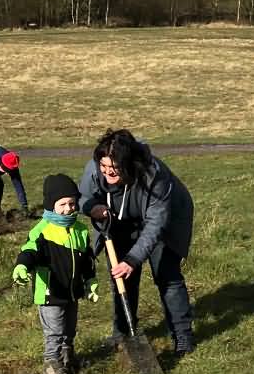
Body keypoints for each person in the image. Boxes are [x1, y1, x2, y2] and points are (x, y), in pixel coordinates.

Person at [79, 129, 197, 355]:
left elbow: (156, 222)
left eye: (113, 170)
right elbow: (83, 195)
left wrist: (133, 259)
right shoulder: (95, 168)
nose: (106, 174)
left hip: (166, 220)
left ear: (129, 164)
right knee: (122, 279)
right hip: (119, 221)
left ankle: (182, 336)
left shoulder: (155, 175)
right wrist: (92, 207)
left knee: (167, 277)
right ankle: (122, 332)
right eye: (103, 168)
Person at [12, 174, 98, 374]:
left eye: (72, 203)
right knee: (55, 331)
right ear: (51, 205)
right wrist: (22, 266)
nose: (69, 208)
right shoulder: (42, 230)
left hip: (72, 291)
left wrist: (90, 281)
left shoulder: (80, 230)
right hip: (51, 292)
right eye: (62, 204)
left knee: (70, 329)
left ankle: (68, 359)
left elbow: (87, 258)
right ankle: (51, 364)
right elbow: (29, 251)